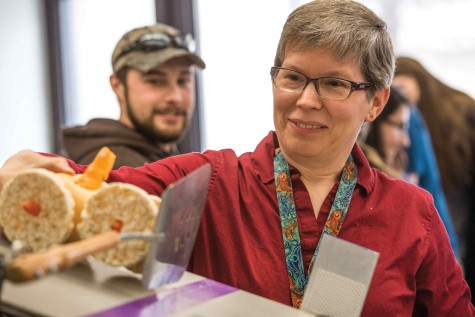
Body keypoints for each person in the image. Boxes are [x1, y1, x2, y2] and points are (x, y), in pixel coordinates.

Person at [1, 0, 474, 315]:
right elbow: (95, 188)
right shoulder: (210, 180)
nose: (306, 100)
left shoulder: (410, 212)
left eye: (333, 83)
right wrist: (31, 170)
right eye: (292, 77)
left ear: (375, 100)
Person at [61, 23, 206, 169]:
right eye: (155, 81)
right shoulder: (118, 172)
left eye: (183, 81)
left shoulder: (161, 160)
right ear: (118, 86)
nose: (176, 97)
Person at [393, 56, 475, 297]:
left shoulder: (461, 109)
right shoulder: (411, 119)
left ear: (419, 80)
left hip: (463, 194)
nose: (399, 95)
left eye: (402, 87)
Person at [359, 86, 460, 257]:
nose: (406, 141)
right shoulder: (365, 188)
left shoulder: (399, 186)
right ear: (374, 118)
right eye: (399, 126)